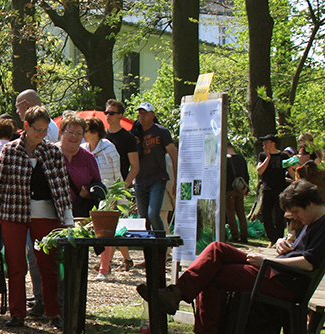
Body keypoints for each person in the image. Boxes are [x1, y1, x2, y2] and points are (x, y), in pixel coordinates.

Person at [139, 179, 325, 333]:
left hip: (283, 281)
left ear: (310, 204)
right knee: (217, 250)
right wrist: (283, 246)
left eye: (297, 213)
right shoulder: (311, 222)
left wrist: (266, 261)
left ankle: (180, 299)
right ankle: (177, 295)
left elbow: (309, 263)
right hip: (276, 272)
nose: (296, 218)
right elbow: (301, 251)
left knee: (211, 273)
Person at [0, 105, 73, 328]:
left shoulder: (53, 152)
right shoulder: (10, 150)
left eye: (45, 130)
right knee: (16, 265)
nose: (42, 134)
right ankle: (17, 313)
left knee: (48, 265)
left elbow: (63, 187)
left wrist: (68, 217)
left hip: (45, 215)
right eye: (37, 129)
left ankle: (54, 312)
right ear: (25, 126)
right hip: (13, 213)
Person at [85, 116, 133, 276]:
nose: (83, 134)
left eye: (85, 131)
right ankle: (122, 260)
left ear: (95, 132)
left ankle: (104, 268)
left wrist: (117, 195)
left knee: (106, 232)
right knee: (107, 232)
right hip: (92, 195)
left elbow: (116, 172)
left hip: (110, 193)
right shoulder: (84, 148)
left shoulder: (108, 148)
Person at [129, 102, 177, 237]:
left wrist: (176, 182)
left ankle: (161, 247)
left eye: (145, 113)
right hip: (139, 181)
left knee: (154, 215)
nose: (142, 116)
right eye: (140, 113)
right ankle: (149, 254)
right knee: (143, 219)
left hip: (157, 179)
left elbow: (174, 156)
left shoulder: (161, 132)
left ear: (152, 115)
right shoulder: (135, 132)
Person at [257, 134, 292, 246]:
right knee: (266, 214)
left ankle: (278, 239)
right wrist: (268, 157)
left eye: (266, 142)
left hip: (280, 189)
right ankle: (271, 238)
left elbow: (290, 170)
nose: (264, 144)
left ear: (273, 143)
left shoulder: (283, 156)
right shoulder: (262, 155)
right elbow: (260, 171)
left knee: (279, 215)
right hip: (267, 189)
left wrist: (297, 180)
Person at [225, 143, 251, 242]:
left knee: (231, 213)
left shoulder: (226, 160)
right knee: (241, 213)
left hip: (229, 189)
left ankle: (235, 235)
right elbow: (246, 174)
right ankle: (244, 235)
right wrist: (246, 188)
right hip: (240, 189)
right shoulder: (241, 159)